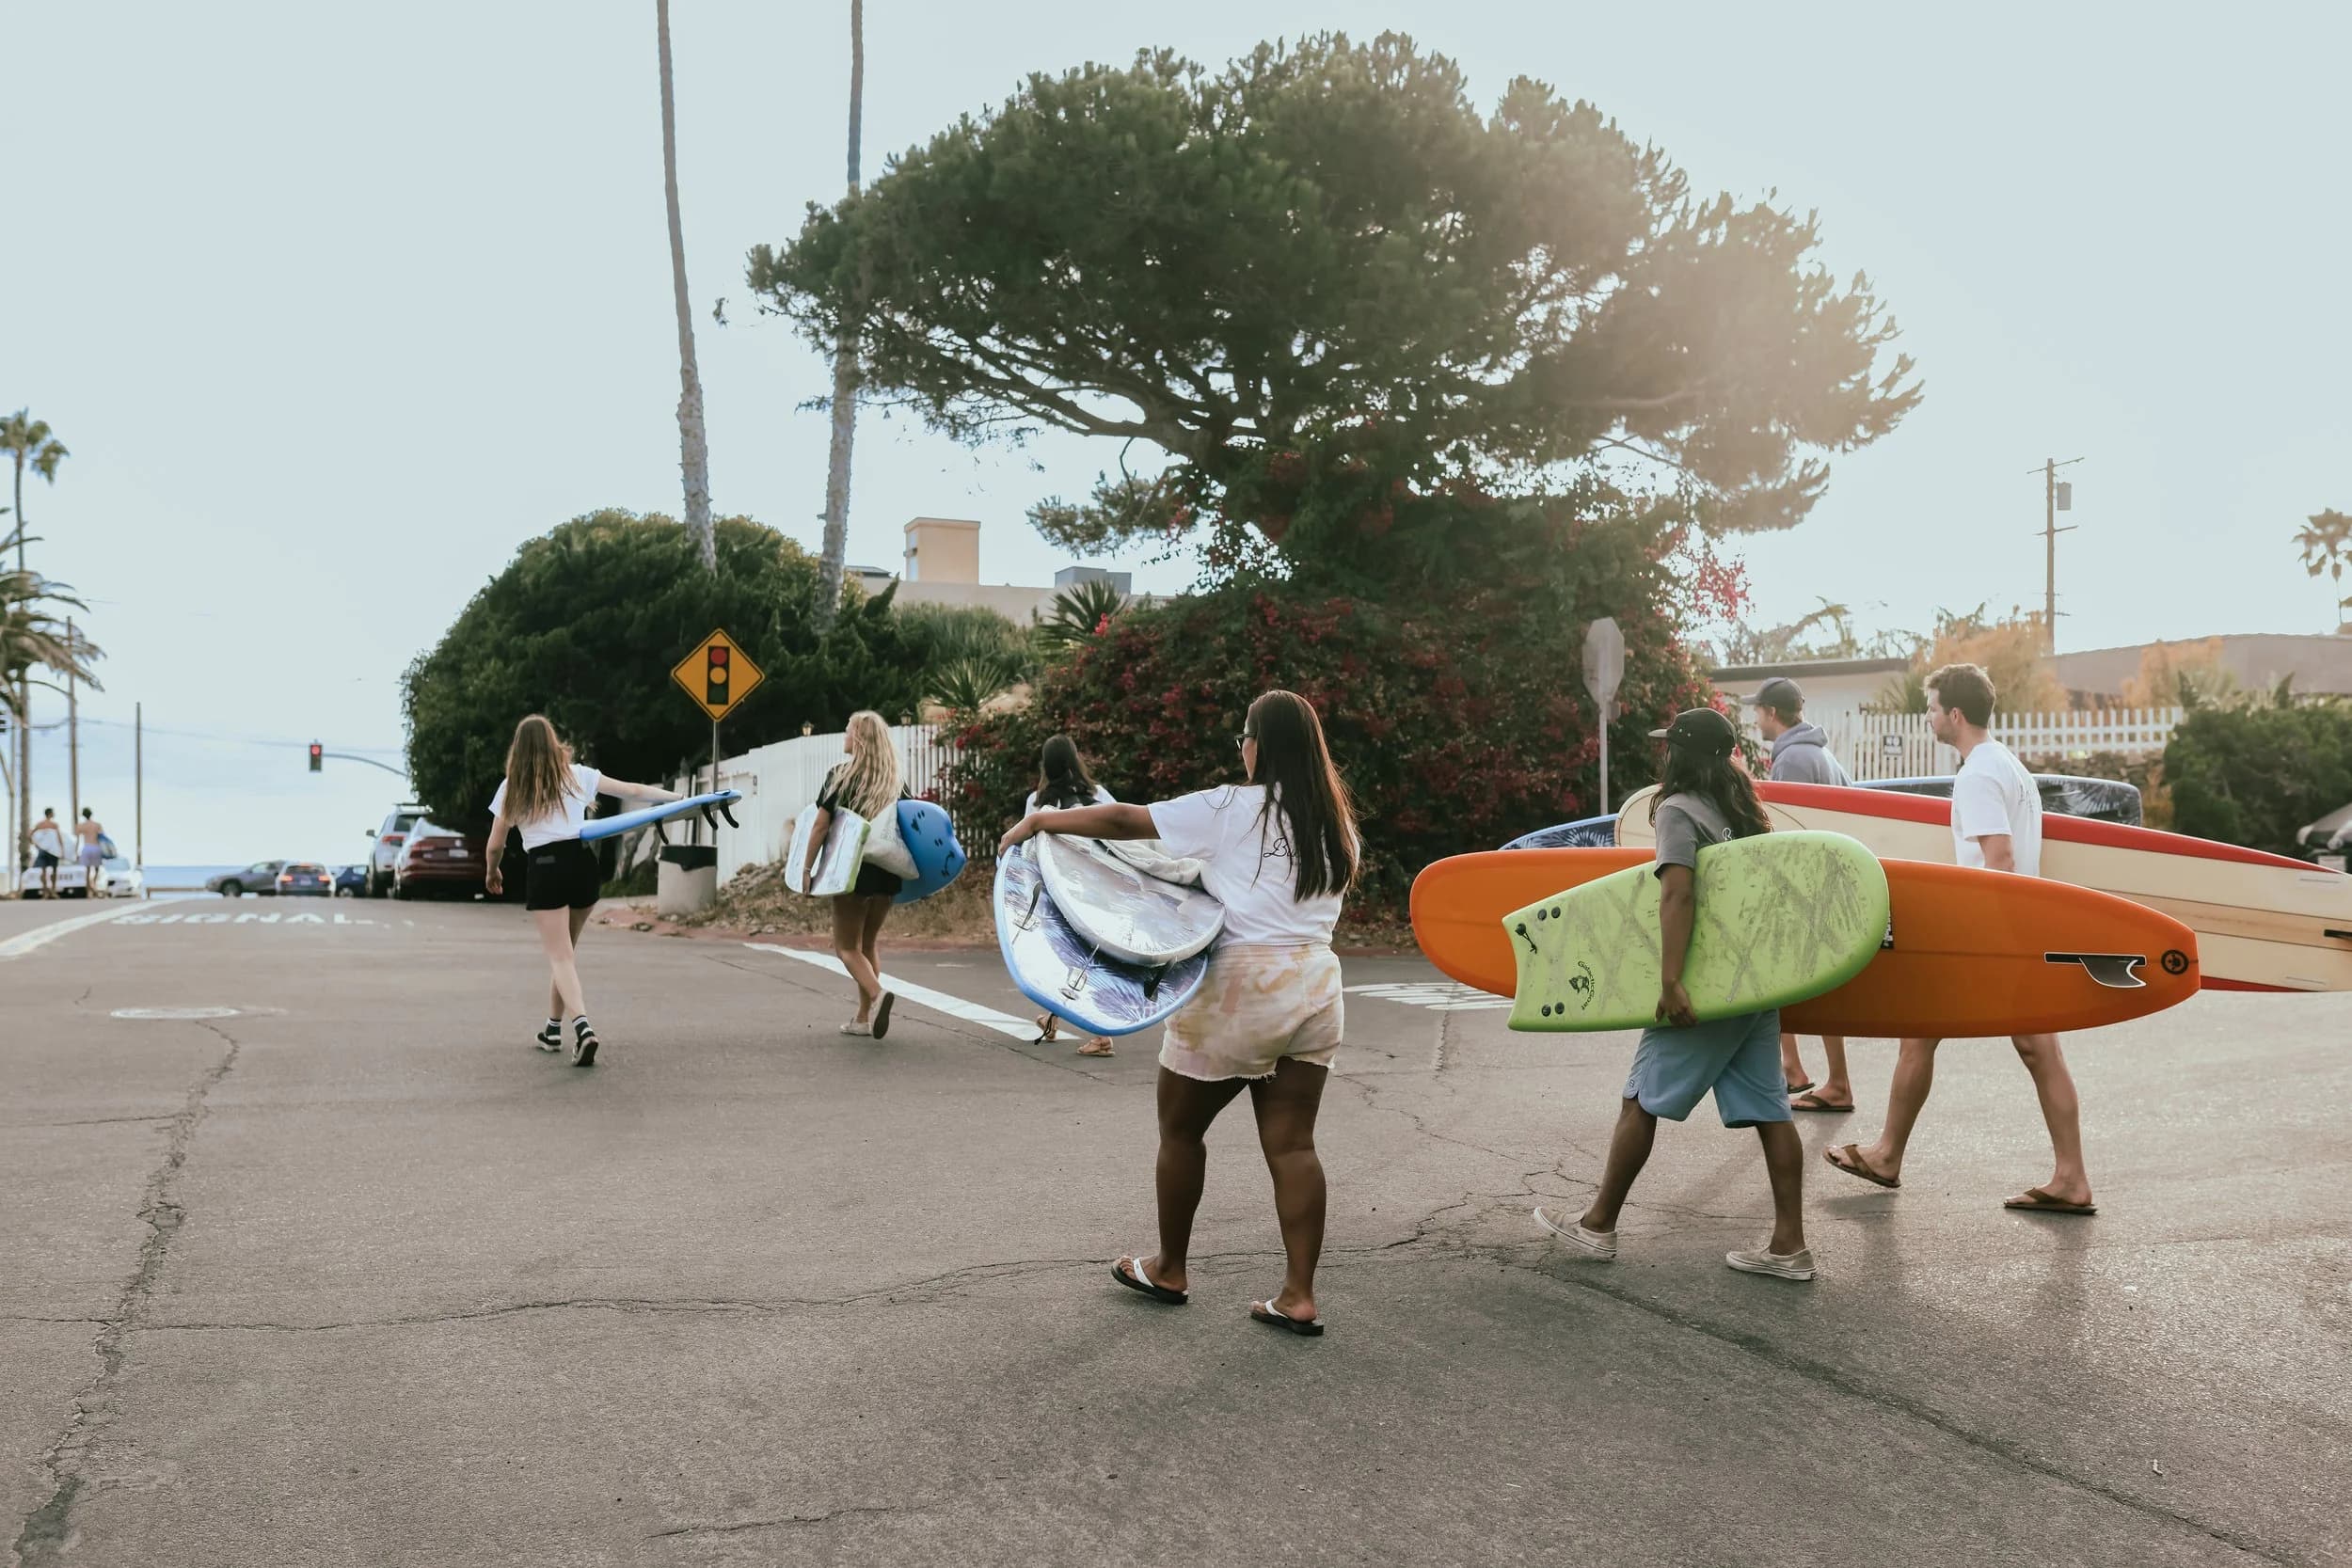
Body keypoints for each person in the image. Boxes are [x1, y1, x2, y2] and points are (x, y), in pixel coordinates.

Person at [998, 689, 1359, 1336]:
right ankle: (1299, 1295)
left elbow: (1125, 821)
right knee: (1293, 1144)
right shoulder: (1336, 825)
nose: (1241, 750)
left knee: (1181, 1130)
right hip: (1315, 984)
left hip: (1240, 987)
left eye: (1243, 738)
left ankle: (1170, 1268)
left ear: (1259, 744)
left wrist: (1043, 821)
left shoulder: (1229, 806)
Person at [1534, 706, 1816, 1282]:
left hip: (1705, 986)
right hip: (1754, 985)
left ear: (1680, 755)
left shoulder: (1679, 810)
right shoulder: (1743, 812)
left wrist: (1670, 981)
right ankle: (1790, 1246)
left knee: (1640, 1100)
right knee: (1771, 1112)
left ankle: (1597, 1225)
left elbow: (1678, 895)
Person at [1824, 664, 2096, 1215]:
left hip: (1993, 934)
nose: (1927, 717)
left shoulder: (1977, 774)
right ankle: (2067, 1177)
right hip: (2017, 927)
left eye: (1930, 708)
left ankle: (1889, 1156)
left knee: (1949, 1037)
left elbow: (2000, 859)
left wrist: (1977, 939)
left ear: (1954, 713)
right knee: (2020, 1048)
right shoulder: (2009, 765)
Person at [483, 714, 679, 1067]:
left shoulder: (513, 786)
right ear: (553, 742)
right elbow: (634, 791)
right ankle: (551, 1029)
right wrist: (680, 798)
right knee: (566, 955)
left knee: (561, 958)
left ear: (518, 749)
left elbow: (496, 844)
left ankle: (583, 1029)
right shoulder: (578, 775)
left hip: (545, 866)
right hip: (582, 863)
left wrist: (492, 871)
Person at [1746, 677, 1857, 1114]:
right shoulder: (1822, 754)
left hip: (1808, 886)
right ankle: (1799, 1069)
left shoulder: (1792, 758)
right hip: (1830, 882)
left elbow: (1786, 832)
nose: (1756, 719)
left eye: (1758, 711)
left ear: (1772, 712)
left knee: (1780, 975)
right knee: (1801, 980)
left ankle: (1822, 1078)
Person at [803, 710, 918, 1038]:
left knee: (846, 948)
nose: (845, 735)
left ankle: (878, 995)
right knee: (867, 944)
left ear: (860, 738)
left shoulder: (841, 776)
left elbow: (820, 826)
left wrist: (807, 868)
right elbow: (912, 827)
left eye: (848, 730)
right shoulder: (894, 781)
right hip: (887, 871)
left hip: (852, 872)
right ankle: (863, 1019)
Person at [1025, 734, 1118, 1058]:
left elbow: (1031, 850)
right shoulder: (1099, 796)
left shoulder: (1038, 803)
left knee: (1072, 957)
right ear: (1077, 760)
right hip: (1102, 887)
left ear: (1045, 766)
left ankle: (1102, 1035)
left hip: (1063, 891)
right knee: (1083, 957)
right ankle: (1052, 1020)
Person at [28, 808, 66, 897]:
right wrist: (62, 850)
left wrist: (35, 844)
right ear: (50, 814)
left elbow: (30, 834)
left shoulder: (40, 824)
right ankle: (53, 891)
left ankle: (45, 892)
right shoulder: (54, 825)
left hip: (43, 850)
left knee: (43, 871)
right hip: (53, 851)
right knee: (54, 871)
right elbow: (59, 838)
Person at [74, 808, 107, 895]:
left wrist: (76, 851)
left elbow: (77, 839)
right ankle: (94, 885)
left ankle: (89, 891)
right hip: (96, 847)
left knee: (87, 870)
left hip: (87, 847)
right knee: (96, 869)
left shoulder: (81, 826)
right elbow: (102, 837)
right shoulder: (97, 825)